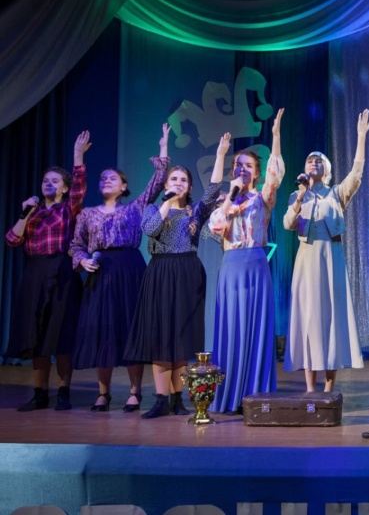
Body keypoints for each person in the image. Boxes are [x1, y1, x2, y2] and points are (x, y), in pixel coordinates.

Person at [123, 133, 231, 419]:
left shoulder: (196, 211)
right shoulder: (152, 208)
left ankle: (177, 398)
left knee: (181, 334)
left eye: (183, 180)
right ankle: (160, 399)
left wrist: (220, 154)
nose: (178, 183)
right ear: (165, 185)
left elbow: (214, 189)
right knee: (161, 335)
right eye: (173, 180)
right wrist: (167, 203)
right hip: (160, 271)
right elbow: (150, 229)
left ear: (190, 186)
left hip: (187, 272)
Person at [70, 125, 171, 412]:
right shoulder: (87, 214)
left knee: (130, 328)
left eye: (112, 178)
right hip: (100, 270)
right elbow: (76, 245)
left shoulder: (134, 208)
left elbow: (158, 182)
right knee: (102, 329)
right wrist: (82, 260)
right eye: (102, 178)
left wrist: (163, 146)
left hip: (129, 269)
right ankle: (103, 393)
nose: (106, 181)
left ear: (123, 186)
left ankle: (135, 390)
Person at [283, 110, 369, 392]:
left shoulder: (336, 194)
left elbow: (356, 174)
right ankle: (310, 389)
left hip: (331, 258)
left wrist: (361, 137)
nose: (314, 163)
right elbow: (288, 224)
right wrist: (300, 197)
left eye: (319, 160)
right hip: (306, 260)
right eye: (310, 160)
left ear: (327, 169)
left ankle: (329, 389)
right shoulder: (297, 195)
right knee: (309, 317)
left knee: (331, 316)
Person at [5, 131, 91, 411]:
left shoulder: (69, 209)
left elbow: (79, 188)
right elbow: (12, 240)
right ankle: (39, 393)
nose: (48, 184)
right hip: (35, 274)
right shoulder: (33, 213)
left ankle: (64, 391)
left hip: (63, 271)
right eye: (45, 180)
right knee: (36, 334)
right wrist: (24, 214)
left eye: (55, 181)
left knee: (62, 333)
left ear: (64, 188)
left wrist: (77, 155)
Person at [208, 108, 285, 415]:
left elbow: (275, 177)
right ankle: (228, 393)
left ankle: (255, 394)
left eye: (248, 166)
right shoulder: (225, 200)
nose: (242, 169)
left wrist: (275, 136)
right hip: (231, 267)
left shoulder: (262, 199)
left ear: (256, 172)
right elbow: (216, 225)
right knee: (231, 328)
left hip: (255, 264)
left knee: (255, 329)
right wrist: (231, 195)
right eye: (238, 165)